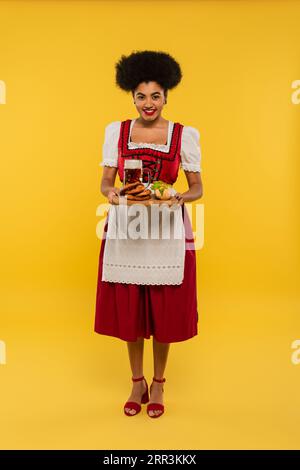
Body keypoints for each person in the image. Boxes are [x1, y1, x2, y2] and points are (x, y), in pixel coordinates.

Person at [94, 50, 203, 418]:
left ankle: (158, 383)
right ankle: (136, 380)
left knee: (165, 305)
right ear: (132, 96)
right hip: (127, 225)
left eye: (155, 95)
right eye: (141, 96)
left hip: (167, 227)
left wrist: (176, 197)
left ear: (167, 96)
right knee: (130, 304)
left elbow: (197, 188)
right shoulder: (117, 131)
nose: (148, 103)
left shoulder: (182, 135)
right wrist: (110, 193)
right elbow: (106, 181)